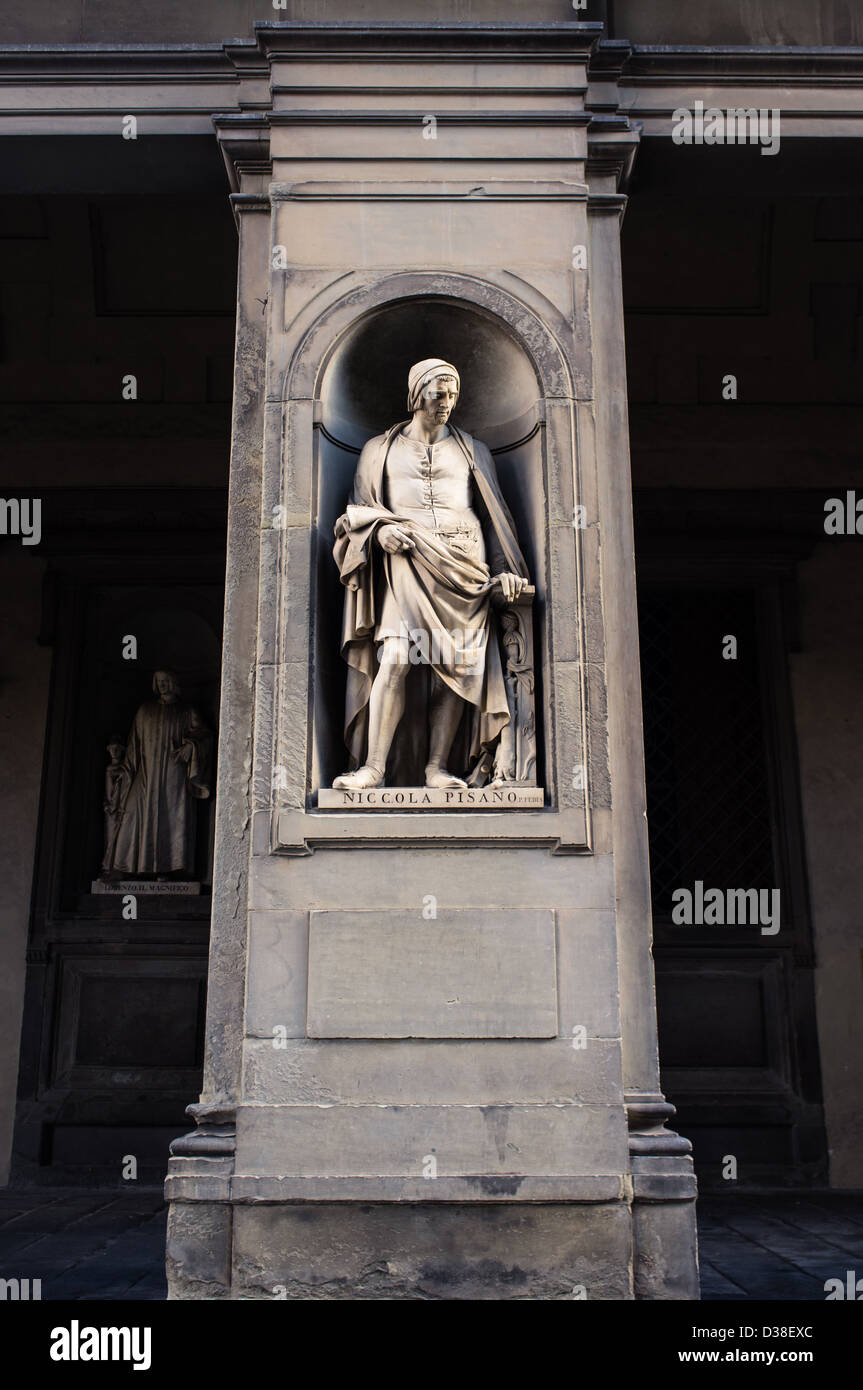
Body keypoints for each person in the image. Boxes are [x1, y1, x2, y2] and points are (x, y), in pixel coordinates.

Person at [332, 358, 529, 790]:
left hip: (465, 569)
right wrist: (380, 531)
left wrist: (506, 572)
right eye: (437, 392)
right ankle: (374, 768)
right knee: (398, 657)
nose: (445, 402)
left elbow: (494, 516)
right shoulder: (377, 450)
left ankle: (437, 767)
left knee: (456, 664)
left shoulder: (473, 450)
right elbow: (357, 511)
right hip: (407, 561)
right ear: (416, 393)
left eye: (452, 394)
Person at [102, 669, 211, 877]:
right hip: (145, 773)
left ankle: (167, 870)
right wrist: (124, 773)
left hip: (173, 774)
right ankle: (123, 866)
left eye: (166, 680)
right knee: (132, 813)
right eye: (158, 681)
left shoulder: (187, 711)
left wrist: (192, 747)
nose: (162, 684)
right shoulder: (145, 710)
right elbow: (134, 745)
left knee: (171, 819)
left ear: (174, 682)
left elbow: (205, 735)